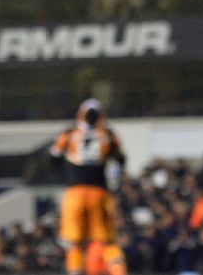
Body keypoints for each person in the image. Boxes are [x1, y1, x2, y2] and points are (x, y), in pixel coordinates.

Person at [50, 99, 127, 275]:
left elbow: (52, 159)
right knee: (107, 241)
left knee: (73, 242)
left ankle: (75, 271)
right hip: (99, 192)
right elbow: (121, 159)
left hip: (74, 193)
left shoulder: (69, 134)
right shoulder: (108, 134)